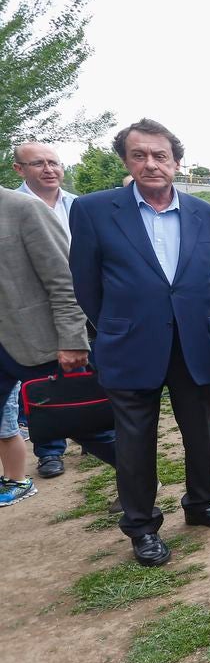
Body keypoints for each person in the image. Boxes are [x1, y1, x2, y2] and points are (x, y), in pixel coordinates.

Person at [69, 119, 210, 568]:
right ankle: (142, 526)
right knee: (134, 441)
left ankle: (201, 504)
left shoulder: (208, 215)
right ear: (125, 160)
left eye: (160, 155)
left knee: (201, 432)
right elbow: (86, 285)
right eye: (139, 155)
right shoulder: (93, 211)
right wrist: (118, 324)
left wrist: (188, 318)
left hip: (193, 344)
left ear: (177, 162)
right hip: (128, 346)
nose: (151, 163)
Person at [0, 189, 116, 504]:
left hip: (35, 341)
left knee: (85, 425)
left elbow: (65, 280)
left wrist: (72, 339)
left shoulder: (22, 208)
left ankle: (137, 478)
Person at [13, 141, 92, 479]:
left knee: (94, 372)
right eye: (38, 164)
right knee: (44, 383)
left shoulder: (79, 206)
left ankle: (97, 431)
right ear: (20, 169)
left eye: (53, 163)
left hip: (83, 302)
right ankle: (50, 451)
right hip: (35, 310)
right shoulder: (13, 208)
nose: (48, 169)